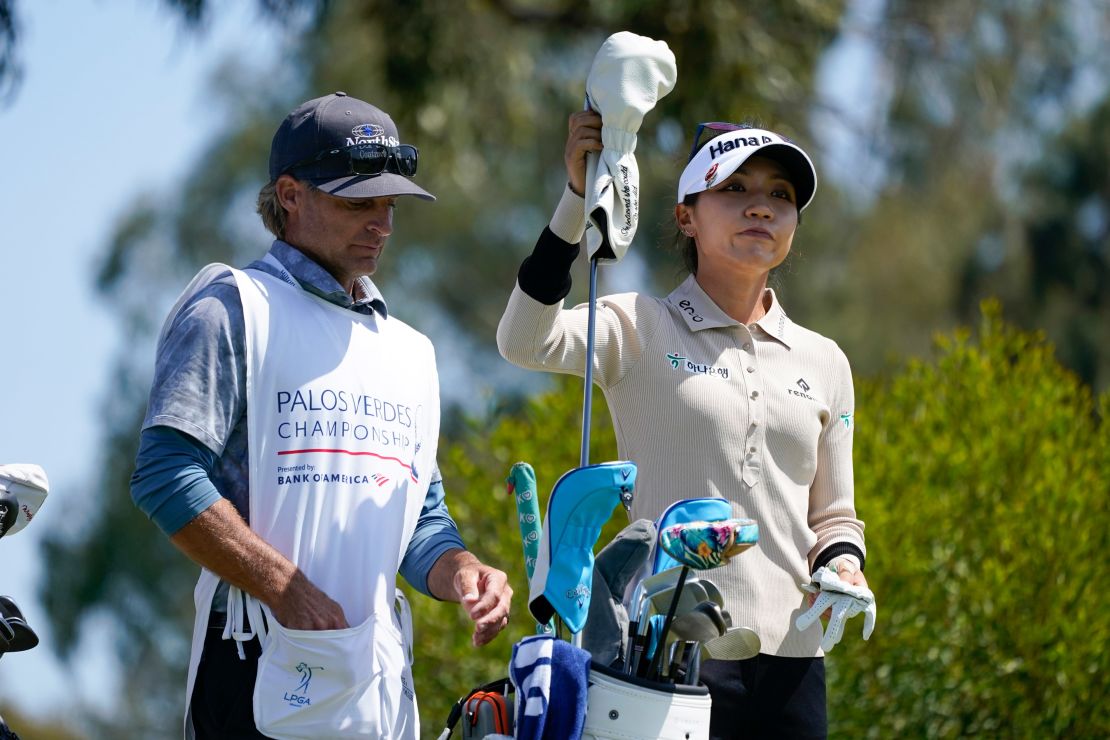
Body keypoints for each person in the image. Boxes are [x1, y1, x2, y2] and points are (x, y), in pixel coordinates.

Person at [131, 92, 512, 739]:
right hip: (251, 667)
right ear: (290, 195)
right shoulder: (232, 307)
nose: (382, 223)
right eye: (357, 202)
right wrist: (285, 587)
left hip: (375, 686)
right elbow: (166, 474)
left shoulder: (411, 352)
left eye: (389, 204)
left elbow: (418, 519)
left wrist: (462, 572)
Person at [496, 111, 870, 739]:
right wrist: (574, 203)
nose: (761, 208)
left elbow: (833, 515)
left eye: (780, 195)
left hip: (794, 664)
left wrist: (845, 565)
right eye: (735, 189)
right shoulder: (640, 325)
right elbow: (521, 339)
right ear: (687, 216)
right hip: (663, 650)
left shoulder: (825, 360)